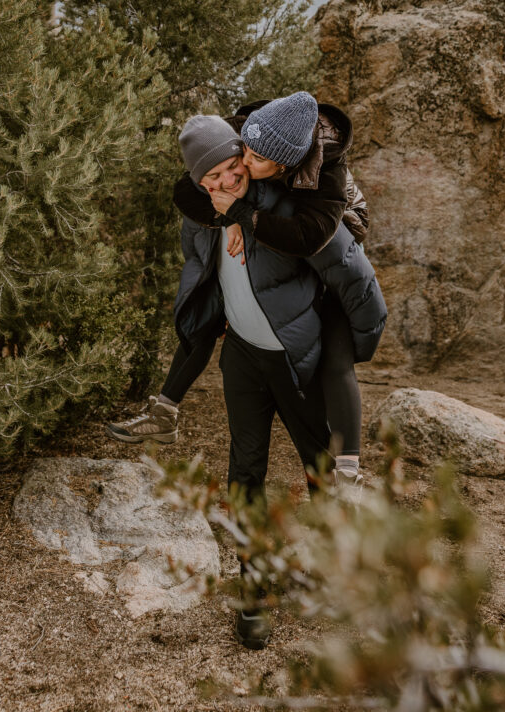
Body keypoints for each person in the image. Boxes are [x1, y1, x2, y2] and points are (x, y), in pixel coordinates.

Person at [165, 115, 387, 649]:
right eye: (208, 179)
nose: (221, 183)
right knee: (244, 471)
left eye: (227, 170)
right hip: (243, 360)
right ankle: (256, 590)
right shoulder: (202, 218)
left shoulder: (289, 211)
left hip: (299, 360)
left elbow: (353, 273)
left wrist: (357, 345)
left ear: (245, 156)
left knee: (322, 471)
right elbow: (200, 275)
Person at [108, 93, 370, 485]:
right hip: (245, 351)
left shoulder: (316, 179)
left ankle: (347, 476)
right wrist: (226, 214)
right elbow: (189, 188)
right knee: (244, 462)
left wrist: (240, 213)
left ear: (281, 164)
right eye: (238, 155)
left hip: (316, 282)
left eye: (244, 163)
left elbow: (319, 243)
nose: (237, 171)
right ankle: (166, 412)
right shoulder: (240, 145)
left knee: (323, 442)